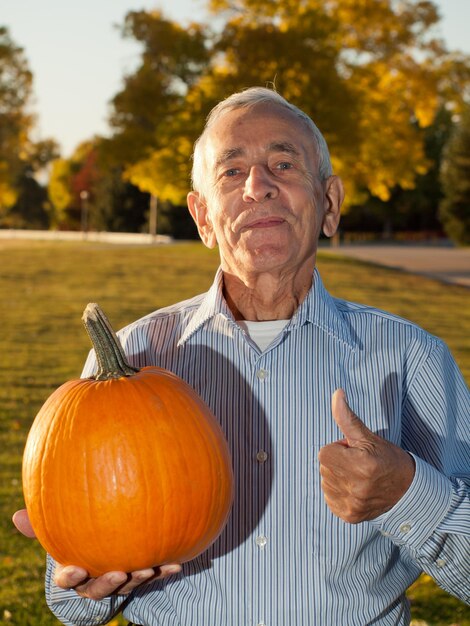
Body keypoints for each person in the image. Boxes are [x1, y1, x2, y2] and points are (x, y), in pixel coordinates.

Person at [14, 87, 469, 625]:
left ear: (330, 204)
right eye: (232, 172)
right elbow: (71, 602)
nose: (259, 186)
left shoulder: (412, 357)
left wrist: (408, 492)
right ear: (203, 217)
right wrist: (87, 577)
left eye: (283, 162)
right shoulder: (130, 356)